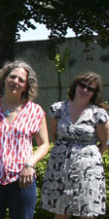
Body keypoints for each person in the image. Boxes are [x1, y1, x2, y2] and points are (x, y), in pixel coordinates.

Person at [0, 60, 50, 219]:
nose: (16, 82)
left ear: (27, 86)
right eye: (12, 77)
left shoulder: (35, 111)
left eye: (22, 80)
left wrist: (30, 164)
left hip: (23, 178)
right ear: (5, 78)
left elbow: (44, 144)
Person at [41, 72, 109, 218]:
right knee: (61, 211)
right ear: (75, 85)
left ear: (94, 93)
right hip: (60, 167)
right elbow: (53, 136)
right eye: (82, 85)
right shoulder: (57, 109)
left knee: (87, 213)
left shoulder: (99, 114)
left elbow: (105, 142)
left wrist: (89, 157)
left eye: (90, 88)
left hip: (88, 171)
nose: (84, 90)